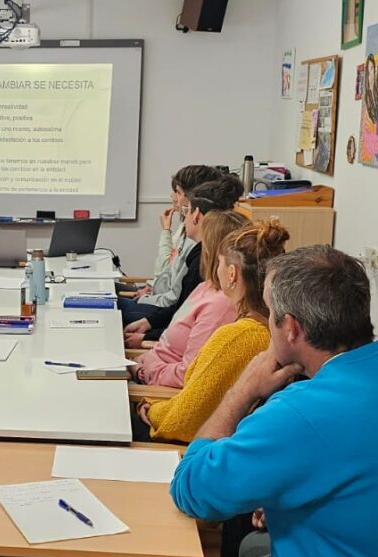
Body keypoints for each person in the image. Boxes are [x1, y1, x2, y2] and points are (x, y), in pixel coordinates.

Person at [169, 246, 378, 557]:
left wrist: (244, 390)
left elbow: (191, 489)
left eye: (269, 314)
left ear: (291, 328)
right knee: (254, 544)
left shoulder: (297, 413)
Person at [133, 219, 289, 443]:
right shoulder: (268, 330)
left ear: (232, 274)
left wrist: (150, 407)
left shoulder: (236, 336)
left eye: (220, 263)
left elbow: (182, 421)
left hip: (183, 442)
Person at [130, 210, 248, 388]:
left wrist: (142, 372)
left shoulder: (220, 306)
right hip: (148, 366)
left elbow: (187, 376)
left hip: (154, 384)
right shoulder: (206, 287)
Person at [122, 175, 243, 336]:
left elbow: (183, 317)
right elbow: (181, 307)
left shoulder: (202, 259)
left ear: (197, 215)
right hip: (164, 319)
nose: (183, 217)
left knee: (116, 309)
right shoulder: (199, 252)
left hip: (165, 323)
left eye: (187, 211)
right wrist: (149, 323)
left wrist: (148, 335)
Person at [136, 165, 223, 301]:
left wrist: (166, 231)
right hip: (159, 295)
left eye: (177, 191)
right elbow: (169, 274)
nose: (173, 196)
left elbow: (169, 278)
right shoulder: (188, 228)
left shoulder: (195, 238)